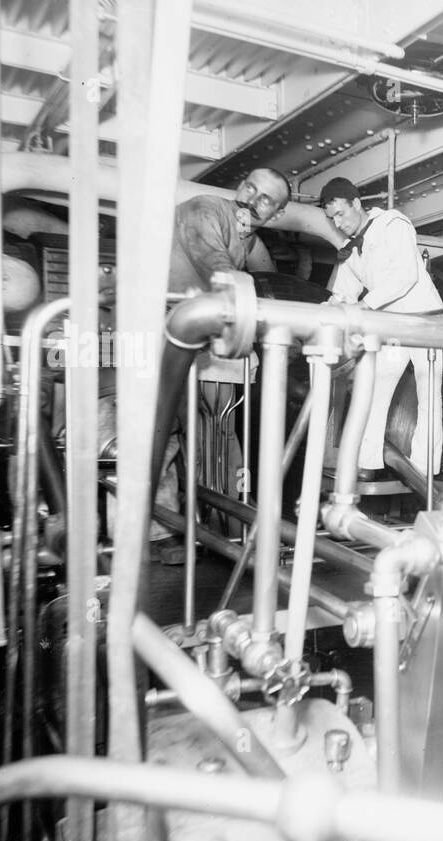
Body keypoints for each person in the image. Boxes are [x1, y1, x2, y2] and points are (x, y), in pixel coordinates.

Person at [115, 168, 294, 562]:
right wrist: (248, 310)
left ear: (276, 214)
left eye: (265, 199)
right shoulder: (205, 210)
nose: (251, 199)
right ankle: (151, 539)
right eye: (249, 187)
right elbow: (217, 269)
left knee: (210, 434)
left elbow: (252, 281)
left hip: (191, 337)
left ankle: (217, 529)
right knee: (157, 434)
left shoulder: (248, 239)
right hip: (152, 330)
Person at [320, 176, 443, 479]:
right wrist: (325, 309)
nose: (338, 223)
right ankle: (367, 462)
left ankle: (425, 468)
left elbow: (406, 276)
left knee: (429, 394)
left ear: (357, 204)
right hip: (391, 324)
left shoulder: (393, 224)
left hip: (424, 319)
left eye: (341, 214)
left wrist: (365, 306)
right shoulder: (350, 250)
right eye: (331, 218)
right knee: (374, 388)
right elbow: (343, 294)